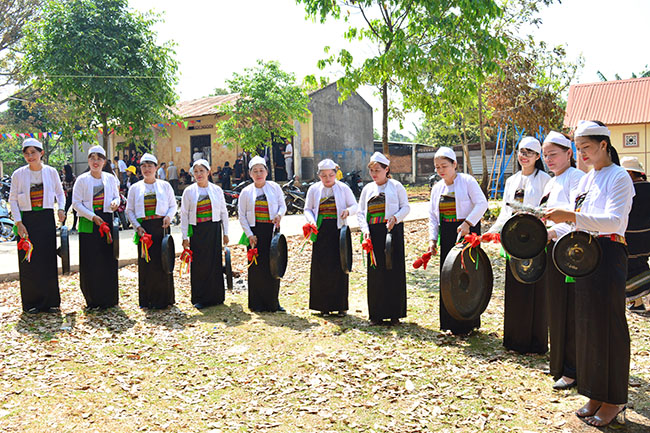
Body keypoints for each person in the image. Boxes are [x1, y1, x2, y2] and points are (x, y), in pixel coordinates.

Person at [545, 120, 633, 427]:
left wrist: (571, 215)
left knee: (609, 327)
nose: (581, 154)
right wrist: (549, 229)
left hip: (609, 255)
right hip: (583, 256)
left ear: (603, 146)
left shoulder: (619, 177)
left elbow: (612, 221)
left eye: (586, 148)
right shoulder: (585, 180)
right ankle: (595, 392)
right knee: (587, 327)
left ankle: (615, 399)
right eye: (578, 148)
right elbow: (574, 223)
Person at [488, 137, 551, 354]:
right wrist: (492, 231)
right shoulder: (511, 180)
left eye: (529, 153)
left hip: (534, 238)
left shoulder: (545, 180)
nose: (523, 156)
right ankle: (515, 339)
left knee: (535, 287)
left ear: (537, 157)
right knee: (515, 287)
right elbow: (505, 212)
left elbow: (546, 209)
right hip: (513, 239)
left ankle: (535, 342)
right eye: (521, 152)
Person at [539, 131, 585, 391]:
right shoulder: (551, 182)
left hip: (571, 252)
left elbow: (577, 217)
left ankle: (572, 369)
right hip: (551, 249)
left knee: (570, 310)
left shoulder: (577, 178)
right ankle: (557, 363)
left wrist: (554, 232)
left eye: (553, 154)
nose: (548, 159)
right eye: (545, 155)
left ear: (569, 153)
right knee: (555, 307)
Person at [428, 146, 488, 335]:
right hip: (447, 233)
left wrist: (468, 223)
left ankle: (468, 322)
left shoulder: (467, 181)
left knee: (467, 275)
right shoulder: (437, 188)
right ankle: (449, 322)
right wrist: (432, 239)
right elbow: (432, 216)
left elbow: (482, 203)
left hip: (466, 232)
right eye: (437, 167)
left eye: (444, 166)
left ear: (455, 164)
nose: (440, 170)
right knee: (448, 276)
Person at [9, 138, 66, 313]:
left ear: (41, 153)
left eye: (33, 152)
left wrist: (61, 209)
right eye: (26, 153)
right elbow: (13, 200)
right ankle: (31, 303)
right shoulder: (18, 174)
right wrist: (19, 223)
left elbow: (59, 193)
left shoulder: (51, 172)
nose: (30, 156)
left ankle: (50, 302)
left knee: (47, 259)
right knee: (29, 260)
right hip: (27, 221)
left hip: (46, 219)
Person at [357, 152, 410, 325]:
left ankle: (395, 313)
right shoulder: (367, 189)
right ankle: (376, 314)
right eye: (371, 170)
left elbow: (406, 207)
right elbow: (361, 213)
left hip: (392, 231)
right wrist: (365, 230)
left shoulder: (396, 186)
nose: (374, 174)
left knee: (393, 270)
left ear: (387, 169)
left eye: (377, 170)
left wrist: (396, 218)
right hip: (373, 233)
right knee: (376, 272)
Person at [304, 159, 358, 316]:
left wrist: (348, 211)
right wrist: (311, 220)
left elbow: (355, 206)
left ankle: (340, 305)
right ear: (319, 175)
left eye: (330, 175)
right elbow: (307, 209)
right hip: (320, 231)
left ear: (336, 174)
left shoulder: (343, 188)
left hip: (339, 231)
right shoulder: (314, 190)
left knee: (340, 266)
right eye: (323, 176)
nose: (327, 179)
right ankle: (323, 306)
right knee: (321, 267)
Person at [126, 153, 177, 310]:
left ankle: (164, 299)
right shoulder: (135, 188)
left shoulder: (165, 186)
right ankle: (147, 300)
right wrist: (137, 227)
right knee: (146, 263)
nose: (147, 169)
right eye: (144, 166)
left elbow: (173, 205)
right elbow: (130, 210)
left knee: (163, 262)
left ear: (156, 168)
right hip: (145, 230)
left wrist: (169, 217)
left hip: (161, 228)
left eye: (150, 166)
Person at [72, 145, 120, 310]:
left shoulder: (110, 178)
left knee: (107, 259)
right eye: (92, 158)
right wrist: (92, 217)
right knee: (90, 261)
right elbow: (76, 204)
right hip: (89, 221)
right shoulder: (82, 179)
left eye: (99, 158)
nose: (95, 162)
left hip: (106, 220)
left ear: (104, 161)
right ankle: (92, 299)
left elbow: (116, 196)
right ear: (88, 160)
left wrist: (115, 203)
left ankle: (109, 298)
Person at [238, 156, 287, 312]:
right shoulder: (246, 192)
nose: (258, 174)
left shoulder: (274, 188)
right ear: (250, 174)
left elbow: (282, 205)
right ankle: (257, 304)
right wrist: (249, 234)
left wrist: (279, 215)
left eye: (261, 170)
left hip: (271, 231)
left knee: (273, 266)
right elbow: (242, 215)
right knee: (256, 268)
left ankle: (273, 302)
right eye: (255, 171)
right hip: (255, 234)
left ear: (266, 172)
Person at [180, 159, 229, 309]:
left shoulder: (216, 190)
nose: (199, 174)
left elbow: (223, 212)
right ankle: (200, 298)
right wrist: (184, 237)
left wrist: (225, 232)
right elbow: (184, 215)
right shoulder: (189, 191)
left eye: (202, 171)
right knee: (199, 264)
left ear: (208, 172)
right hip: (197, 231)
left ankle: (216, 297)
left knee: (214, 262)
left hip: (214, 229)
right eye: (196, 171)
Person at [621, 156, 650, 312]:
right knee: (641, 265)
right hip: (647, 238)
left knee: (632, 269)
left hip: (631, 238)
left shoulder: (628, 191)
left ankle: (637, 302)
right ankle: (638, 303)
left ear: (630, 173)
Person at [62, 164, 77, 232]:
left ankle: (74, 226)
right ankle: (63, 225)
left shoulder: (72, 177)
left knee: (74, 211)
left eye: (63, 169)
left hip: (73, 195)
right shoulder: (64, 177)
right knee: (65, 210)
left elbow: (75, 186)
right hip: (68, 195)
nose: (62, 170)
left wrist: (67, 190)